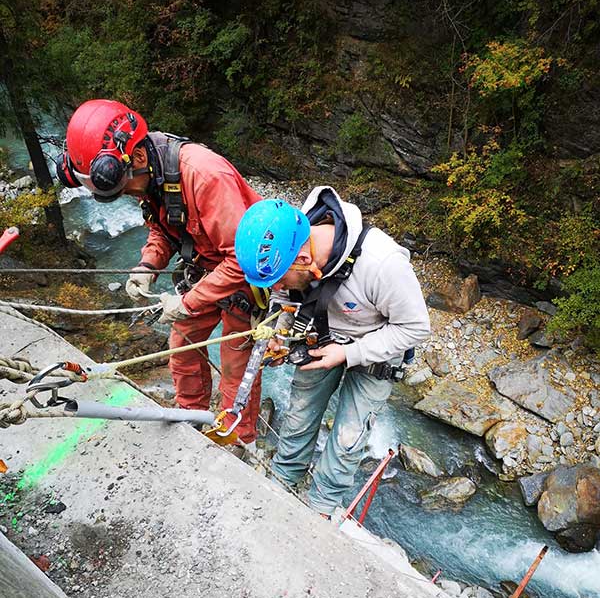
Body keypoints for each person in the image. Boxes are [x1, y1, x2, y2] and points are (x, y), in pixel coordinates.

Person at [56, 98, 266, 445]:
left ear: (137, 157)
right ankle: (189, 418)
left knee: (235, 365)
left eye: (124, 188)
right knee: (182, 348)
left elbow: (243, 261)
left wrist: (189, 301)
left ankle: (238, 440)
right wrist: (148, 264)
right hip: (206, 266)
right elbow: (165, 227)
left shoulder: (205, 176)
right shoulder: (149, 172)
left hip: (244, 273)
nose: (126, 196)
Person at [234, 189, 430, 516]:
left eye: (280, 281)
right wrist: (282, 333)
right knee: (299, 414)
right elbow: (286, 298)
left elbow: (415, 327)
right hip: (321, 333)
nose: (277, 289)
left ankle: (320, 508)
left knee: (347, 437)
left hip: (377, 346)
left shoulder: (381, 264)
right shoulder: (293, 245)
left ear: (304, 260)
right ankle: (281, 481)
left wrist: (349, 354)